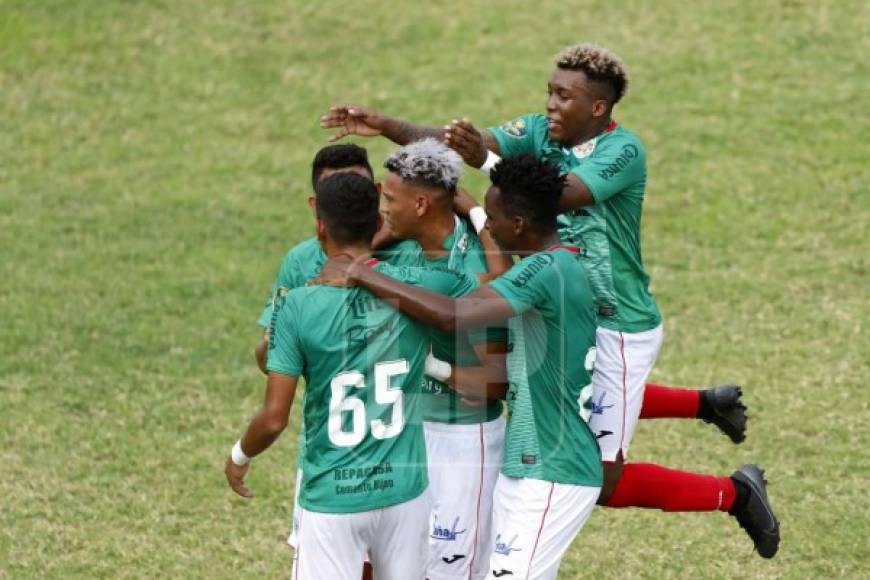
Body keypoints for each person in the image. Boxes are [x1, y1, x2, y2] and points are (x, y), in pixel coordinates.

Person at [319, 43, 779, 559]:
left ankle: (734, 493)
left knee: (602, 479)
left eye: (565, 96)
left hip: (618, 323)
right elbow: (461, 144)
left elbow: (557, 196)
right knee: (547, 386)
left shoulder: (624, 151)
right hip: (557, 295)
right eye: (550, 92)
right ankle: (704, 403)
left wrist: (484, 167)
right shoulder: (539, 133)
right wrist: (386, 124)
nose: (551, 104)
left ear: (598, 108)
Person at [317, 156, 603, 579]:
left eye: (494, 219)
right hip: (528, 466)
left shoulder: (547, 270)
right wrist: (467, 206)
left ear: (519, 224)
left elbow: (454, 314)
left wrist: (363, 273)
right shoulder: (555, 263)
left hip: (553, 468)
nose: (487, 228)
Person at [226, 172, 479, 579]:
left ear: (320, 226)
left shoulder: (300, 306)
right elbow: (492, 286)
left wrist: (240, 456)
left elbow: (274, 418)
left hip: (333, 497)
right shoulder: (420, 285)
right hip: (403, 494)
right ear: (379, 223)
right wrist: (476, 212)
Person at [377, 138, 512, 580]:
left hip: (461, 442)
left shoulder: (474, 264)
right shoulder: (398, 246)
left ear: (420, 204)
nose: (382, 208)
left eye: (389, 199)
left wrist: (429, 366)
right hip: (408, 432)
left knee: (452, 570)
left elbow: (493, 385)